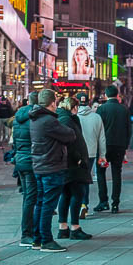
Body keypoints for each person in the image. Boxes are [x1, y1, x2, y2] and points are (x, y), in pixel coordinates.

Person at [27, 89, 75, 252]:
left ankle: (37, 239)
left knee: (41, 202)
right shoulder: (48, 120)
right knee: (48, 204)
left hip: (40, 165)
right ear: (52, 102)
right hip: (51, 166)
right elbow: (69, 135)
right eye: (56, 100)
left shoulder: (35, 118)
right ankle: (46, 240)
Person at [57, 96, 93, 242]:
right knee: (77, 194)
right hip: (73, 164)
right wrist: (78, 157)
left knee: (66, 194)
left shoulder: (65, 119)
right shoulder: (66, 120)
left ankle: (63, 227)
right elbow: (69, 142)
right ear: (73, 107)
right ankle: (74, 227)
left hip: (68, 164)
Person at [95, 84, 132, 213]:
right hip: (119, 146)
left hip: (104, 146)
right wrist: (125, 146)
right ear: (117, 95)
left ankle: (103, 201)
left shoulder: (102, 109)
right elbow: (129, 129)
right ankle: (115, 203)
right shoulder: (124, 109)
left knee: (100, 173)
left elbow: (98, 129)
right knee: (117, 173)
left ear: (106, 95)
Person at [12, 95, 38, 246]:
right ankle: (27, 234)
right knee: (30, 197)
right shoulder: (35, 118)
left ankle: (28, 231)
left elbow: (16, 140)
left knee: (27, 197)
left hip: (20, 159)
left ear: (28, 102)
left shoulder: (18, 117)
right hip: (31, 160)